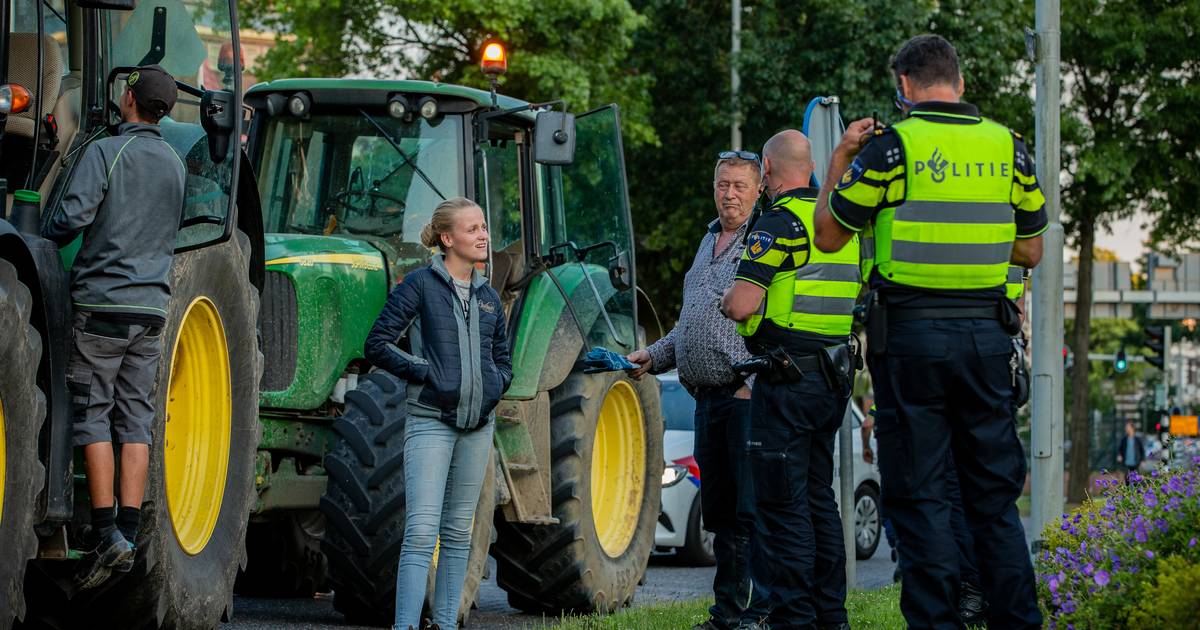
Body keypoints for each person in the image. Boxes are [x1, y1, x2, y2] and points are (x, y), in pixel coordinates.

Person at [812, 34, 1046, 629]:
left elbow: (831, 234)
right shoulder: (1010, 149)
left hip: (912, 342)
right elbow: (1032, 248)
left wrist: (839, 159)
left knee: (921, 500)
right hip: (987, 343)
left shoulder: (892, 150)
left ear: (905, 88)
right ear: (960, 82)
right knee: (993, 502)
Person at [41, 65, 184, 590]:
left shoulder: (106, 151)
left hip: (102, 306)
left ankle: (105, 531)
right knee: (136, 417)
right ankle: (128, 528)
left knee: (93, 412)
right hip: (151, 310)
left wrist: (42, 231)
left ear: (127, 99)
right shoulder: (175, 161)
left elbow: (74, 216)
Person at [722, 130, 860, 630]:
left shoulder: (778, 223)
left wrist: (726, 303)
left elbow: (741, 304)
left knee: (783, 507)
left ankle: (792, 618)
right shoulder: (841, 224)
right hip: (831, 377)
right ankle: (831, 616)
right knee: (818, 499)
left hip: (786, 379)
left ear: (767, 169)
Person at [627, 151, 766, 630]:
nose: (729, 193)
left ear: (759, 189)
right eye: (722, 184)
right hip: (706, 399)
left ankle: (759, 612)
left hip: (744, 396)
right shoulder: (708, 239)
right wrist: (657, 355)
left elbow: (776, 320)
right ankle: (726, 614)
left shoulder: (764, 240)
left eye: (739, 186)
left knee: (750, 514)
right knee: (722, 518)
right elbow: (693, 323)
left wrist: (753, 382)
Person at [363, 197, 512, 630]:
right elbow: (378, 344)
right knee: (421, 534)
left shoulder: (487, 296)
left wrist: (495, 384)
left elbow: (502, 357)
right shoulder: (420, 285)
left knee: (458, 535)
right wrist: (426, 372)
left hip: (477, 427)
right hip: (431, 421)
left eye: (484, 227)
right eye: (473, 229)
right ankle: (406, 626)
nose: (483, 235)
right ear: (448, 239)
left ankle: (446, 625)